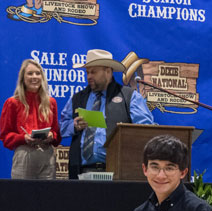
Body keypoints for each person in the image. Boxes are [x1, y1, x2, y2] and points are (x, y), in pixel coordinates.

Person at [59, 49, 154, 179]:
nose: (89, 76)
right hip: (80, 171)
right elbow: (60, 128)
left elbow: (146, 130)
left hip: (118, 171)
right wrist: (74, 126)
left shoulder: (129, 97)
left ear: (108, 71)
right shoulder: (77, 98)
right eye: (87, 72)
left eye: (93, 72)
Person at [0, 58, 61, 179]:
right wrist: (23, 138)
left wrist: (51, 136)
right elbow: (5, 136)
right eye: (30, 73)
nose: (34, 77)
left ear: (42, 77)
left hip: (47, 155)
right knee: (23, 196)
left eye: (38, 73)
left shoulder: (51, 102)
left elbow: (57, 135)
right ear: (23, 78)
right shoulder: (12, 103)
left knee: (48, 196)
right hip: (24, 154)